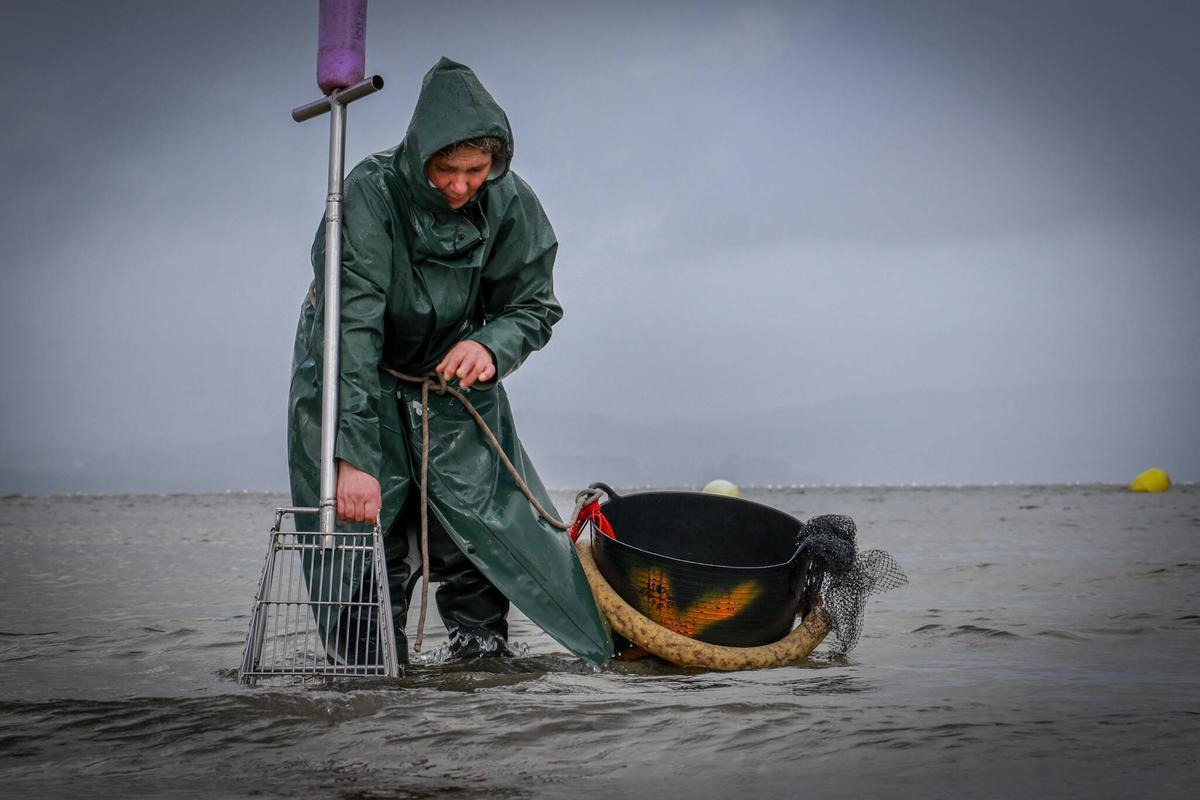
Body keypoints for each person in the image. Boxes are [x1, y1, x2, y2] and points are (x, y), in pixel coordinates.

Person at [287, 57, 611, 664]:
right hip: (357, 374)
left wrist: (491, 344)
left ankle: (480, 671)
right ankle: (370, 672)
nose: (462, 185)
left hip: (452, 379)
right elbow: (351, 330)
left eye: (475, 170)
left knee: (485, 527)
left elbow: (534, 305)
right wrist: (352, 458)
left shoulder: (509, 201)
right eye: (446, 169)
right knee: (366, 536)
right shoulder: (368, 196)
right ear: (420, 156)